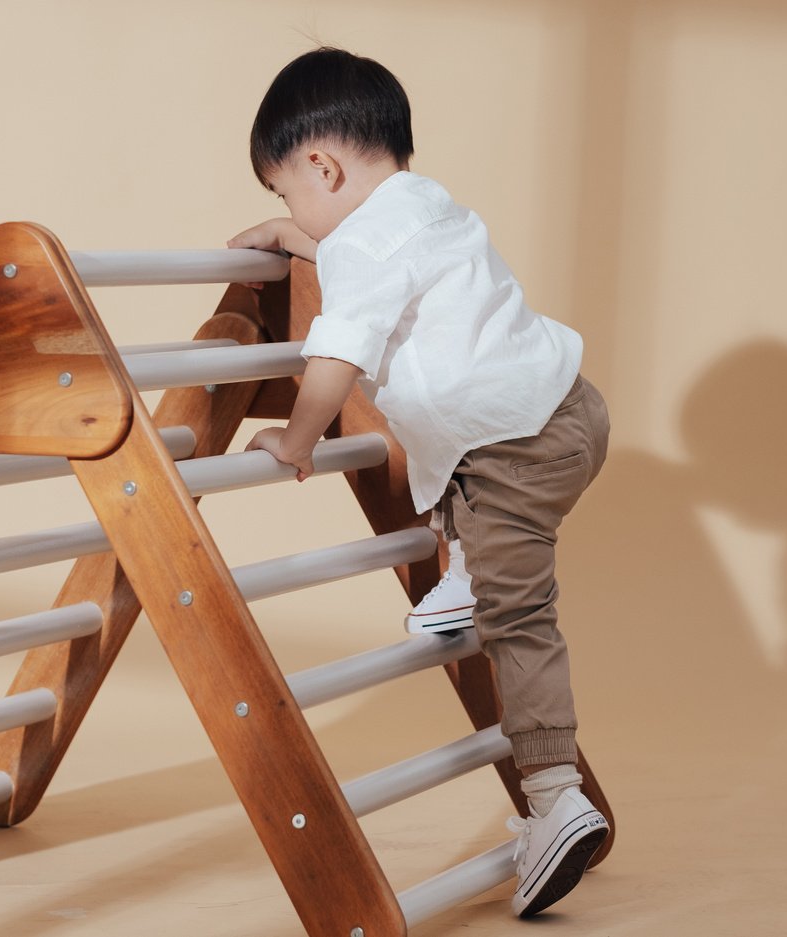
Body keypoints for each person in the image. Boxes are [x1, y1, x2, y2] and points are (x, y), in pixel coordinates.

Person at [229, 47, 611, 918]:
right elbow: (367, 254)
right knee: (457, 466)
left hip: (511, 450)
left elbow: (336, 356)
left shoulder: (359, 247)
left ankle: (552, 794)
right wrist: (298, 237)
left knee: (519, 617)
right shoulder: (424, 203)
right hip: (569, 412)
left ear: (320, 165)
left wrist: (295, 439)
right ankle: (470, 568)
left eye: (287, 194)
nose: (291, 211)